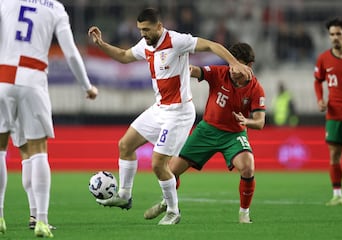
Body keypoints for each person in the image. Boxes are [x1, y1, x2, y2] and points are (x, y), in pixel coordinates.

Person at [88, 8, 253, 225]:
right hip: (160, 109)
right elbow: (124, 56)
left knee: (158, 163)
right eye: (140, 30)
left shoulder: (177, 41)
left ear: (159, 26)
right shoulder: (145, 45)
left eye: (146, 29)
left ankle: (173, 211)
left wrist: (234, 63)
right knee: (125, 145)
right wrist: (101, 43)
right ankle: (124, 195)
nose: (143, 34)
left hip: (179, 112)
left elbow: (212, 45)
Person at [0, 0, 98, 237]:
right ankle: (41, 221)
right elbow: (71, 53)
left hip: (3, 76)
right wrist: (87, 86)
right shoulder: (55, 8)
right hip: (33, 79)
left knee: (1, 150)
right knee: (38, 151)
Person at [143, 42, 266, 223]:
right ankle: (167, 204)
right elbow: (195, 70)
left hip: (234, 135)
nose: (232, 69)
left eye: (237, 64)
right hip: (206, 131)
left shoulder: (256, 89)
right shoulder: (220, 73)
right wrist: (181, 67)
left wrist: (246, 121)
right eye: (230, 63)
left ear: (248, 66)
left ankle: (244, 214)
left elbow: (260, 122)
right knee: (171, 170)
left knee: (248, 167)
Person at [313, 17, 342, 206]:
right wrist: (320, 99)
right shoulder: (323, 59)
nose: (334, 38)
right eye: (331, 34)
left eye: (338, 34)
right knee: (334, 156)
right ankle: (337, 194)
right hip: (334, 114)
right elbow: (318, 80)